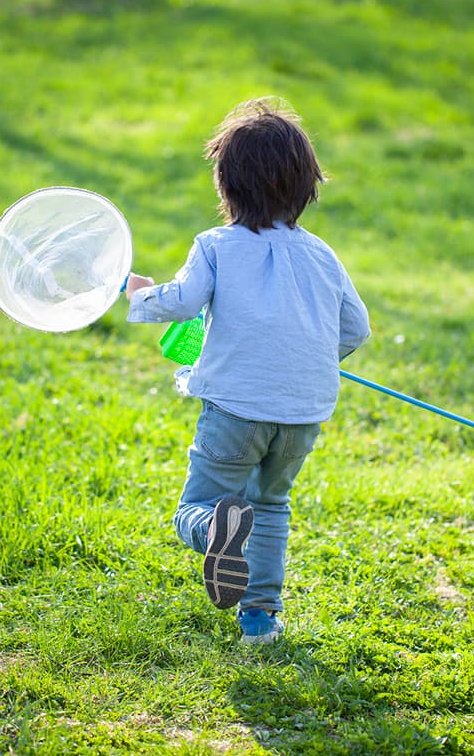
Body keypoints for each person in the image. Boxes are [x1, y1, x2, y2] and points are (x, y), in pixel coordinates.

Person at [124, 98, 370, 644]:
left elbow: (184, 302)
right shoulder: (323, 255)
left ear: (226, 188)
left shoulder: (215, 246)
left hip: (235, 409)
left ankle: (214, 530)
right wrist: (304, 359)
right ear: (307, 187)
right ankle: (260, 618)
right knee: (271, 505)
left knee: (198, 505)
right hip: (302, 415)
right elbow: (356, 328)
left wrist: (142, 294)